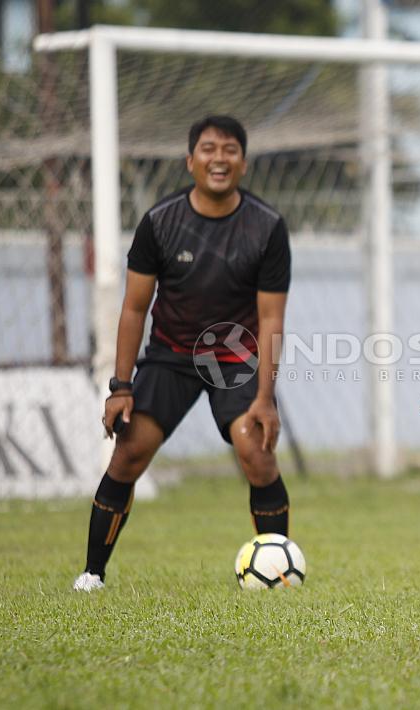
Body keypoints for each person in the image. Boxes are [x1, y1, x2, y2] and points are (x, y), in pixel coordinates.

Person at [73, 115, 291, 592]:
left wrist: (265, 397)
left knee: (257, 455)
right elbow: (133, 309)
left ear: (244, 163)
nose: (219, 158)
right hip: (170, 354)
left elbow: (272, 319)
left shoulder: (268, 226)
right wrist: (120, 387)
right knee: (128, 456)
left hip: (233, 358)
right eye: (209, 149)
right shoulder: (159, 222)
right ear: (190, 161)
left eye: (230, 150)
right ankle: (92, 574)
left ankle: (279, 575)